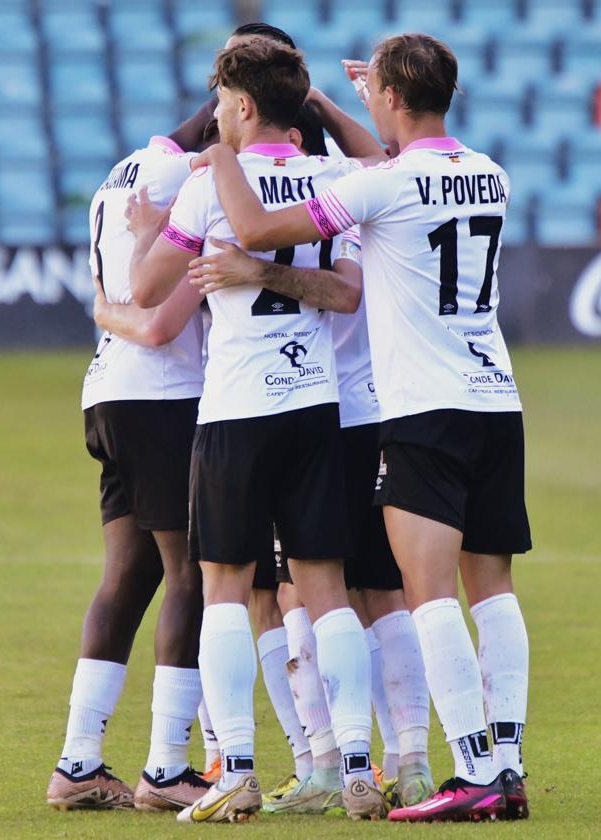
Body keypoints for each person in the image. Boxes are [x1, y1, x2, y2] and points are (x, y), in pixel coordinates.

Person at [189, 33, 533, 823]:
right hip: (496, 397)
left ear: (392, 101)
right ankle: (506, 764)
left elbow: (265, 230)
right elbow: (388, 156)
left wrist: (228, 151)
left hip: (424, 409)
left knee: (426, 591)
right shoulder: (490, 173)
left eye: (376, 91)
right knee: (495, 586)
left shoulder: (384, 186)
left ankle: (475, 772)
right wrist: (344, 104)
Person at [126, 38, 390, 823]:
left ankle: (235, 768)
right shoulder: (335, 180)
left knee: (225, 591)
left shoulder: (213, 190)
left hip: (237, 411)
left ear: (241, 107)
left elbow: (144, 290)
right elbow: (345, 296)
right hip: (314, 408)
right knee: (326, 590)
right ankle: (355, 766)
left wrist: (155, 226)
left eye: (218, 101)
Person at [186, 92, 435, 814]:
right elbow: (384, 156)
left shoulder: (319, 188)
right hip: (355, 404)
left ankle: (327, 761)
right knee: (360, 588)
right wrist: (325, 100)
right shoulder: (357, 183)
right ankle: (396, 759)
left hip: (306, 401)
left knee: (296, 588)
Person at [45, 133, 211, 813]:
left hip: (107, 390)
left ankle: (78, 762)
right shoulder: (194, 176)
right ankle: (169, 767)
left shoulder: (120, 174)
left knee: (128, 576)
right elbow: (161, 317)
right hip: (164, 395)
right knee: (192, 575)